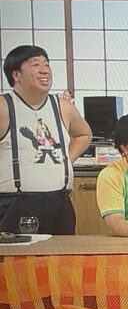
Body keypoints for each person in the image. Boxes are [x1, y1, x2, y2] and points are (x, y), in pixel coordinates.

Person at [0, 45, 92, 235]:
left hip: (60, 203)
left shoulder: (63, 106)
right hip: (14, 203)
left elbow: (84, 134)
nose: (44, 70)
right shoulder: (4, 107)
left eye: (46, 64)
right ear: (16, 75)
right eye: (35, 65)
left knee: (64, 254)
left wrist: (67, 160)